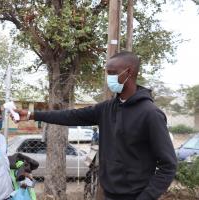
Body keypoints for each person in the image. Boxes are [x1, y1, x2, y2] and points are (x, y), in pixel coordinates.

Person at [15, 52, 177, 200]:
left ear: (128, 72)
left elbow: (168, 165)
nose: (109, 78)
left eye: (112, 73)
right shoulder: (106, 108)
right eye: (107, 73)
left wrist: (146, 197)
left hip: (136, 195)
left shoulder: (150, 114)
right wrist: (32, 115)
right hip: (109, 194)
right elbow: (70, 116)